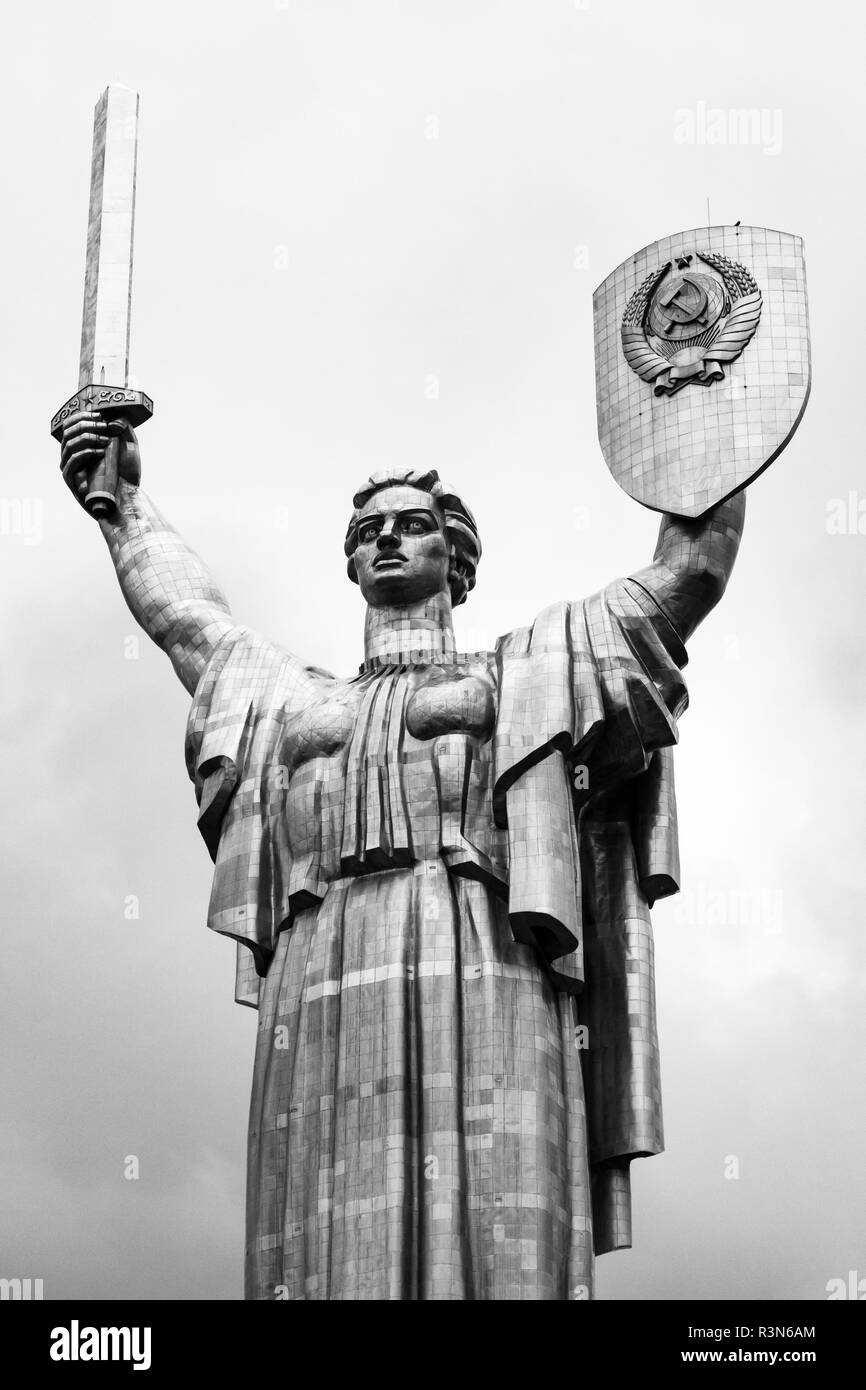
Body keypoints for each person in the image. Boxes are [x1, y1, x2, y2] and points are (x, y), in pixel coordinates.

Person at [59, 410, 744, 1300]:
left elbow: (689, 574)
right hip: (320, 968)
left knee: (495, 1199)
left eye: (411, 524)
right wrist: (122, 506)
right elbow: (186, 619)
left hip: (483, 952)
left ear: (455, 561)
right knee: (316, 1226)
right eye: (367, 530)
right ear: (350, 563)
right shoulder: (288, 701)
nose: (386, 536)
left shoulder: (524, 671)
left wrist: (716, 415)